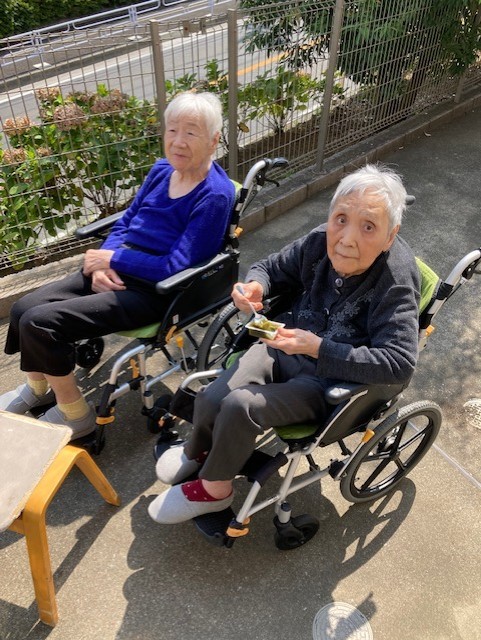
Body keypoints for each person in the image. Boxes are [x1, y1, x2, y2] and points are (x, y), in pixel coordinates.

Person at [148, 163, 421, 524]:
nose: (347, 238)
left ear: (390, 236)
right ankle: (197, 451)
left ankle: (215, 491)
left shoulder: (395, 280)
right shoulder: (318, 241)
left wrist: (318, 348)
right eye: (341, 219)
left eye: (368, 226)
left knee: (241, 405)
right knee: (213, 396)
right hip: (283, 343)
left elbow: (399, 363)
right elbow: (271, 268)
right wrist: (255, 286)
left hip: (328, 380)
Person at [0, 91, 236, 439]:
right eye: (172, 130)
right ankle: (38, 390)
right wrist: (101, 265)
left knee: (42, 323)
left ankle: (76, 416)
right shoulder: (161, 170)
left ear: (214, 140)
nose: (178, 141)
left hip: (158, 292)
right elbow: (126, 223)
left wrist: (112, 258)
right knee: (23, 308)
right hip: (116, 268)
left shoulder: (214, 195)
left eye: (191, 132)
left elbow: (175, 265)